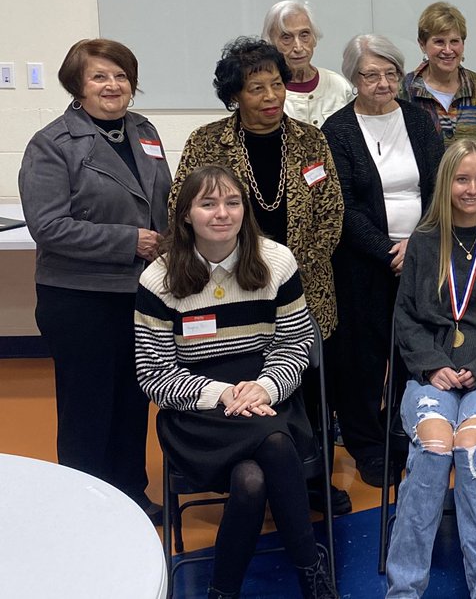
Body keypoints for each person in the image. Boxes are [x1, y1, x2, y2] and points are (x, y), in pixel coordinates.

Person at [135, 166, 337, 599]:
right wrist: (222, 394)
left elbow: (296, 342)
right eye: (208, 204)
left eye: (232, 202)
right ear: (186, 214)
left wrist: (265, 387)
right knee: (275, 444)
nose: (222, 214)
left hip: (270, 398)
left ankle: (222, 592)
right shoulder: (159, 278)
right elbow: (153, 374)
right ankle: (313, 572)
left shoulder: (276, 261)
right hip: (199, 415)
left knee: (252, 479)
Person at [172, 36, 349, 513]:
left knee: (309, 390)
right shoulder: (208, 143)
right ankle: (248, 476)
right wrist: (243, 273)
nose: (271, 97)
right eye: (257, 88)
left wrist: (283, 273)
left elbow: (331, 215)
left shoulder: (311, 140)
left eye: (276, 85)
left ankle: (313, 481)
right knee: (245, 384)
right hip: (224, 292)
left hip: (303, 289)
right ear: (235, 94)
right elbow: (181, 210)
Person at [18, 38, 170, 521]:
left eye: (121, 75)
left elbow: (158, 199)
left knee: (132, 400)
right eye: (100, 76)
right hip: (79, 298)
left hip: (141, 293)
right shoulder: (51, 144)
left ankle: (131, 496)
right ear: (77, 85)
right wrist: (130, 240)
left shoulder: (144, 131)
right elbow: (48, 226)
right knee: (87, 409)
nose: (113, 85)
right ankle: (83, 508)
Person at [384, 141, 476, 599]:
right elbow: (405, 318)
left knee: (470, 451)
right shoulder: (425, 244)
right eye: (462, 179)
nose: (473, 189)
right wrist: (432, 366)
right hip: (432, 375)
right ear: (445, 184)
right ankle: (404, 589)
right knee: (433, 449)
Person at [321, 35, 444, 487]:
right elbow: (344, 205)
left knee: (413, 352)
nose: (383, 83)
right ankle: (366, 446)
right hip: (362, 263)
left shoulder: (417, 119)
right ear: (353, 78)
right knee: (362, 359)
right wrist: (388, 250)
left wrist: (418, 244)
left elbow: (436, 187)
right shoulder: (337, 129)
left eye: (391, 73)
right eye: (371, 75)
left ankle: (402, 432)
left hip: (422, 255)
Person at [400, 1, 476, 148]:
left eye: (455, 41)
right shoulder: (405, 89)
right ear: (422, 44)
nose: (448, 50)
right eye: (439, 42)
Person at [262, 0, 354, 128]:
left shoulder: (338, 85)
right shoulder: (265, 93)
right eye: (286, 37)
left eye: (304, 35)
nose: (298, 47)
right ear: (271, 42)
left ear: (314, 38)